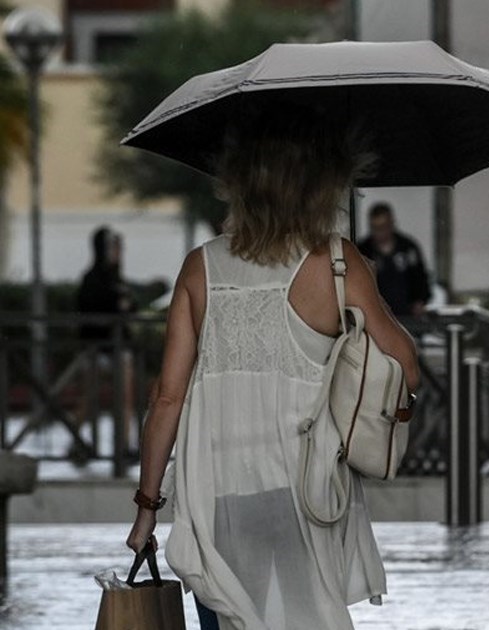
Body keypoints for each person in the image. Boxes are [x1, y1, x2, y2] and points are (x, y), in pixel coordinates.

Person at [125, 106, 421, 630]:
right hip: (302, 492)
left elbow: (167, 398)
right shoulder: (337, 262)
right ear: (321, 184)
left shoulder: (201, 266)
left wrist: (148, 507)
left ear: (238, 182)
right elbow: (405, 371)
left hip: (216, 495)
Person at [76, 227, 136, 461]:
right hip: (96, 348)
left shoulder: (117, 278)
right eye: (113, 247)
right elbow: (90, 308)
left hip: (119, 347)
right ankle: (75, 442)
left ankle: (123, 446)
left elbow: (131, 306)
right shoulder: (92, 279)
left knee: (126, 398)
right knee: (88, 397)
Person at [356, 202, 432, 317]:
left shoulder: (407, 247)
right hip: (375, 314)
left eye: (383, 227)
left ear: (391, 224)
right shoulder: (363, 250)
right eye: (375, 228)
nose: (380, 233)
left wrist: (420, 300)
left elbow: (420, 277)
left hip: (407, 313)